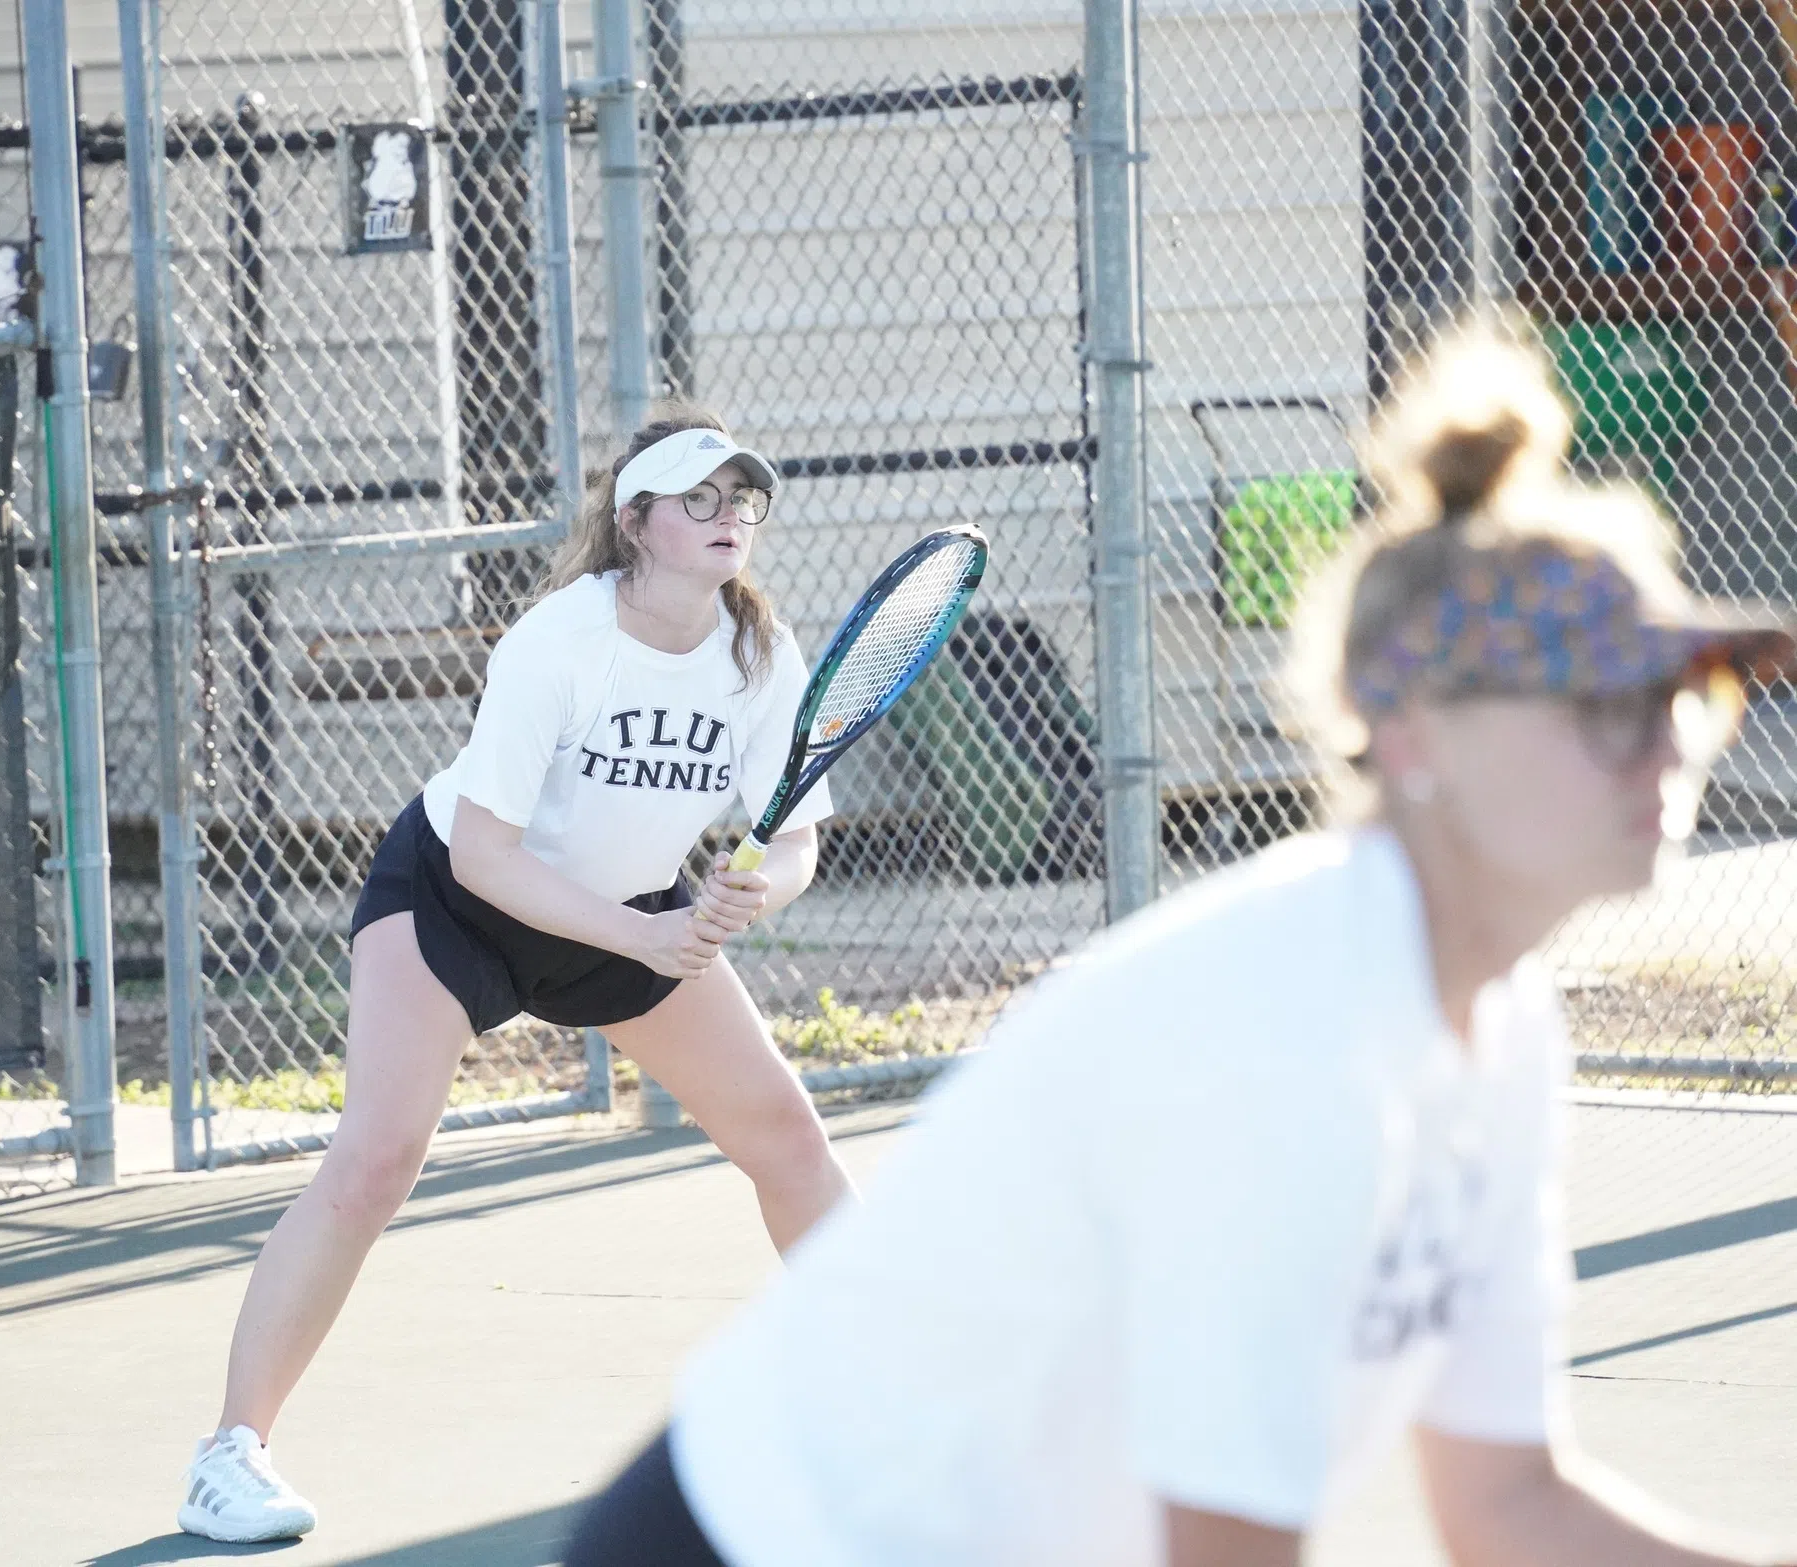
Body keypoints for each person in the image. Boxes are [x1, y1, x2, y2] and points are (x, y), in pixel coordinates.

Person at [563, 333, 1797, 1566]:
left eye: (1689, 687)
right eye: (1604, 699)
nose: (1670, 739)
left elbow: (1510, 1508)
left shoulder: (1499, 1024)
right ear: (1415, 734)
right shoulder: (1285, 1038)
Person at [175, 403, 858, 1544]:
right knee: (377, 1157)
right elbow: (487, 853)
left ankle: (891, 1389)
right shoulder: (558, 639)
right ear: (634, 519)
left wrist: (754, 891)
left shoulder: (760, 650)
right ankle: (228, 1454)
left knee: (787, 1138)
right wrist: (643, 937)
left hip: (634, 915)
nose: (729, 516)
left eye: (742, 498)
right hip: (453, 902)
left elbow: (795, 836)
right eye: (699, 497)